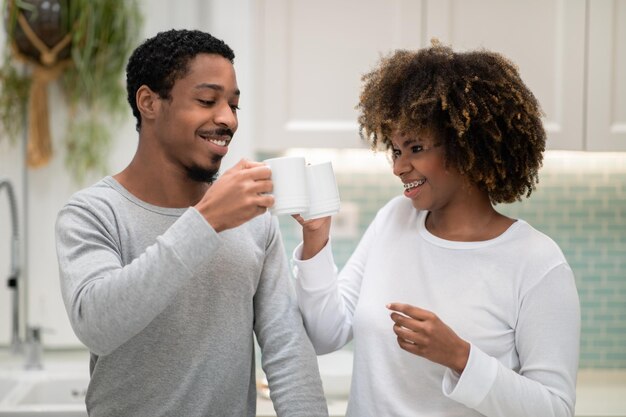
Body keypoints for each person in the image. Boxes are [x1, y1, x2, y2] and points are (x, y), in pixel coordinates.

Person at [292, 41, 580, 417]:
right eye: (396, 151)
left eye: (415, 148)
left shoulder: (537, 263)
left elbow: (555, 409)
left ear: (465, 145)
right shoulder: (393, 219)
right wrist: (315, 241)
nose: (398, 167)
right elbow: (325, 333)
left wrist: (460, 357)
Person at [55, 29, 328, 417]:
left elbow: (287, 350)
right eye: (206, 100)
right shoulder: (93, 213)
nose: (227, 119)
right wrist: (207, 220)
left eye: (234, 105)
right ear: (149, 102)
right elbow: (98, 325)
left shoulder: (253, 219)